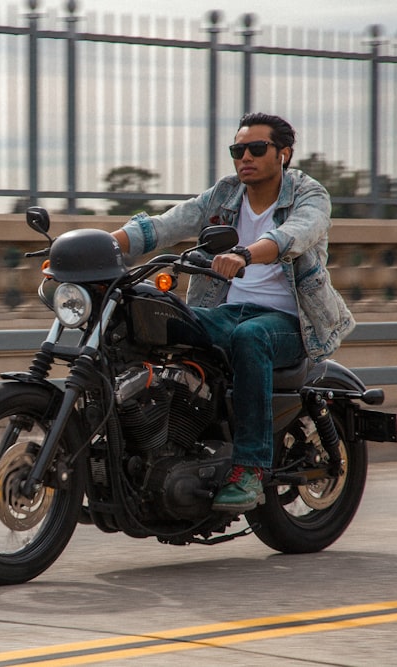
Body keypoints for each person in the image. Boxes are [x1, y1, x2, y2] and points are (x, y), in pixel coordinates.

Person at [110, 112, 355, 512]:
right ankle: (163, 442)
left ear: (284, 154)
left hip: (290, 323)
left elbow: (295, 234)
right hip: (228, 311)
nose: (246, 156)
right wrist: (101, 246)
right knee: (146, 314)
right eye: (238, 149)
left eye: (257, 148)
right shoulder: (223, 196)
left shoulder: (309, 195)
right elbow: (165, 225)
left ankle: (251, 470)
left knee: (250, 336)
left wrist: (244, 253)